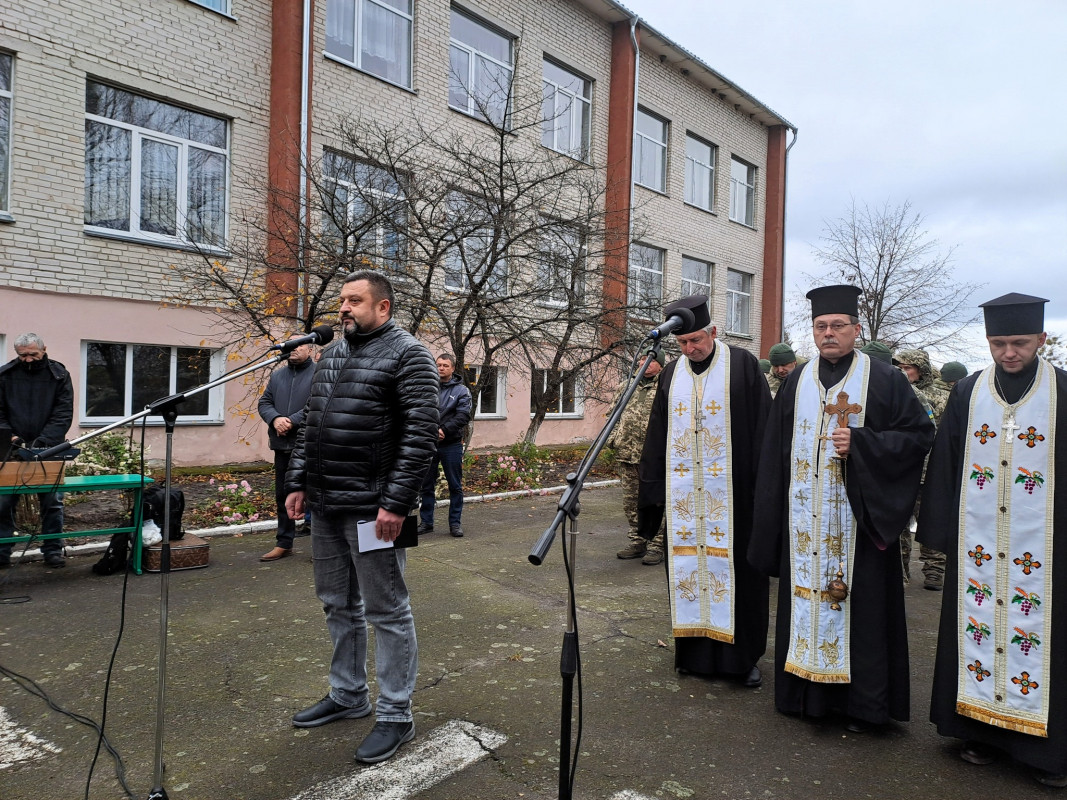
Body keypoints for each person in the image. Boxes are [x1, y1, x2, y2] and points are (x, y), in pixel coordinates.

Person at [749, 285, 934, 732]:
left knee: (862, 614)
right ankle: (805, 698)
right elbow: (774, 451)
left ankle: (862, 708)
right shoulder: (798, 380)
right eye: (820, 326)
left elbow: (919, 437)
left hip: (860, 523)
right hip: (805, 522)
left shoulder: (885, 379)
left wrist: (864, 444)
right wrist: (770, 515)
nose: (828, 333)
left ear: (856, 329)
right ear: (812, 331)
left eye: (837, 326)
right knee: (805, 604)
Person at [284, 271, 439, 764]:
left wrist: (396, 504)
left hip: (374, 510)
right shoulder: (332, 354)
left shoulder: (409, 354)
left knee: (387, 611)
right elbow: (312, 424)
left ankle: (396, 714)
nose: (344, 308)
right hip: (327, 506)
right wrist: (298, 481)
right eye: (342, 300)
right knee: (336, 602)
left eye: (355, 300)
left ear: (384, 308)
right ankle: (348, 695)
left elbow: (419, 435)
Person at [918, 293, 1067, 787]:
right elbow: (946, 459)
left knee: (1043, 639)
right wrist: (937, 530)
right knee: (977, 629)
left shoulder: (1062, 391)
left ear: (1040, 340)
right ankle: (978, 732)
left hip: (1046, 547)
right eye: (999, 342)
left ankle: (1044, 753)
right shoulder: (968, 392)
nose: (1008, 352)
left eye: (1019, 342)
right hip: (978, 542)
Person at [638, 295, 772, 687]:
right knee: (687, 570)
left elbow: (763, 430)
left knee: (739, 578)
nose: (689, 349)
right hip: (686, 502)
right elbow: (657, 434)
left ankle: (742, 658)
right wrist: (653, 492)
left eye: (695, 340)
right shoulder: (671, 374)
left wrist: (763, 493)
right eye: (681, 344)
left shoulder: (742, 365)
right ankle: (693, 654)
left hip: (734, 499)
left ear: (713, 331)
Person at [0, 333, 74, 568]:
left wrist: (43, 441)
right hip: (10, 448)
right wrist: (11, 436)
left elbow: (63, 413)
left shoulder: (59, 375)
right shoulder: (5, 375)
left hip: (50, 448)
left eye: (33, 354)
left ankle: (52, 550)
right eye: (23, 355)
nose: (28, 360)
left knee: (52, 502)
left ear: (44, 350)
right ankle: (2, 553)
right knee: (3, 502)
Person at [892, 348, 949, 589]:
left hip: (932, 470)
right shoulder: (897, 391)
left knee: (930, 520)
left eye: (908, 368)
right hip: (905, 470)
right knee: (899, 524)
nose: (903, 372)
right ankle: (900, 570)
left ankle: (934, 569)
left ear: (921, 370)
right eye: (900, 367)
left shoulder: (941, 397)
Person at [257, 338, 316, 562]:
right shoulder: (278, 375)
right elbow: (264, 403)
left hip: (309, 444)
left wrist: (291, 421)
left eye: (299, 344)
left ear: (310, 348)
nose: (294, 349)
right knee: (283, 494)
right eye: (290, 345)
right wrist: (275, 420)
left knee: (314, 495)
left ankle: (321, 546)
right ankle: (284, 542)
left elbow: (319, 403)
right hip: (282, 445)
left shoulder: (319, 373)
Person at [610, 347, 666, 566]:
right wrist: (613, 439)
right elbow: (613, 414)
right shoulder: (626, 387)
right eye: (641, 358)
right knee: (630, 503)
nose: (644, 362)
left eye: (650, 359)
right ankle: (637, 541)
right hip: (626, 454)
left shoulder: (665, 387)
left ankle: (656, 545)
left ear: (660, 364)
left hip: (653, 457)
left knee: (655, 502)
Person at [418, 353, 472, 538]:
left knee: (455, 486)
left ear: (453, 368)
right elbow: (419, 411)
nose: (441, 368)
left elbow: (463, 415)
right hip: (428, 443)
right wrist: (431, 430)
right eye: (438, 364)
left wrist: (444, 430)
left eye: (445, 365)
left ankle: (455, 524)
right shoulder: (426, 387)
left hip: (451, 444)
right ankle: (426, 522)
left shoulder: (461, 391)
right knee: (426, 485)